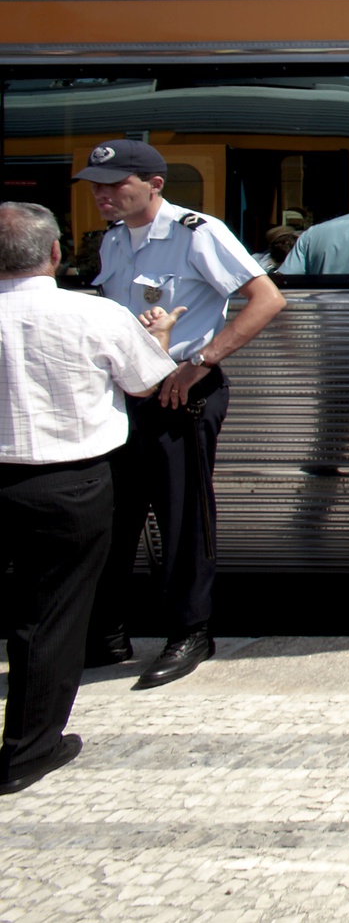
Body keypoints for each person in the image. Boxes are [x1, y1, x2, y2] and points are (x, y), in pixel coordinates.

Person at [75, 140, 287, 689]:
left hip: (181, 392)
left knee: (182, 514)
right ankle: (108, 632)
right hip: (127, 395)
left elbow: (266, 299)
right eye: (97, 184)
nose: (102, 193)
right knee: (114, 515)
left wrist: (201, 361)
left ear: (155, 184)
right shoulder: (114, 240)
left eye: (116, 183)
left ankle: (190, 631)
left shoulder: (198, 231)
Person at [0, 202, 183, 794]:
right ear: (56, 253)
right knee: (49, 615)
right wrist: (159, 337)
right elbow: (146, 382)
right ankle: (28, 751)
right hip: (69, 484)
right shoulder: (95, 314)